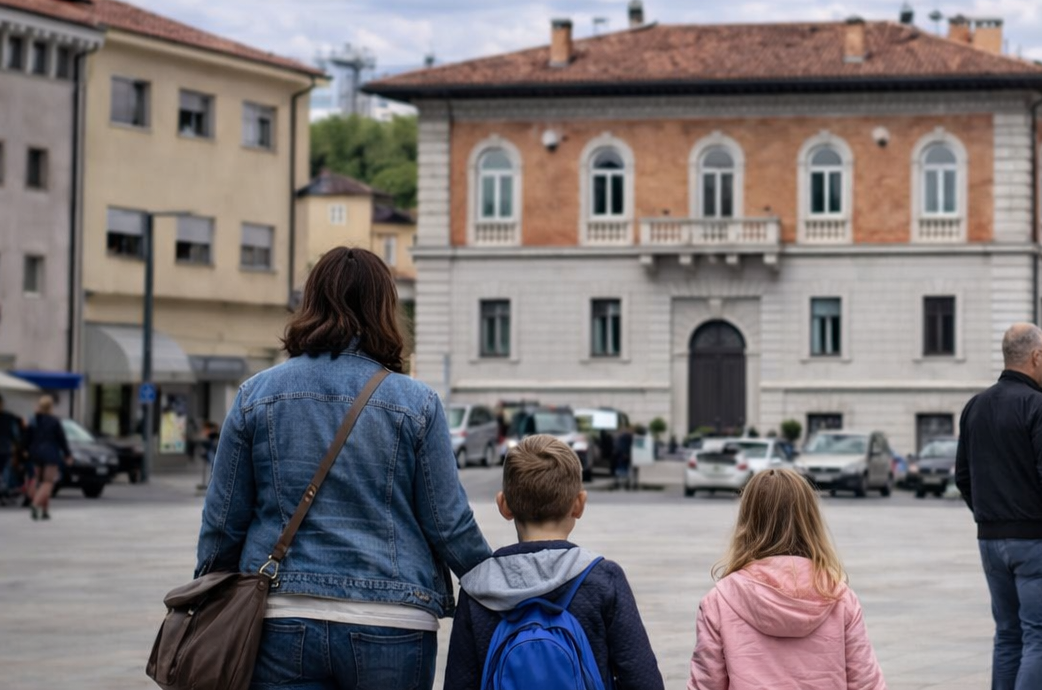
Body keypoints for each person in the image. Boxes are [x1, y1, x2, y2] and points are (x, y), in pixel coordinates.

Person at [196, 246, 490, 690]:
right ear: (384, 309)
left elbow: (223, 523)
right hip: (392, 618)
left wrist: (209, 594)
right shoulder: (417, 403)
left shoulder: (256, 395)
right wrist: (498, 584)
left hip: (280, 614)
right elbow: (448, 524)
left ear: (310, 302)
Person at [445, 434, 663, 690]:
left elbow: (459, 683)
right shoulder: (604, 578)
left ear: (504, 505)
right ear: (578, 505)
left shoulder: (478, 588)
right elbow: (641, 678)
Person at [687, 467, 885, 690]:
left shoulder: (719, 601)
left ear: (747, 521)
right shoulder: (839, 598)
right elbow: (867, 684)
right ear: (810, 521)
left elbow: (706, 685)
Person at [955, 322, 1042, 690]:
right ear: (1036, 356)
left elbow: (962, 476)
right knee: (1041, 638)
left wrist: (988, 514)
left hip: (992, 540)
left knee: (1008, 635)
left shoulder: (975, 406)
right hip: (1038, 540)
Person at [24, 395, 71, 520]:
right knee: (48, 483)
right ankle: (35, 505)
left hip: (36, 454)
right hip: (50, 454)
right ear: (51, 407)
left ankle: (45, 511)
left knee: (40, 482)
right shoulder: (54, 421)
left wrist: (25, 450)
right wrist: (68, 454)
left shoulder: (33, 420)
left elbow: (27, 437)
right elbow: (62, 439)